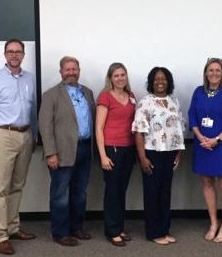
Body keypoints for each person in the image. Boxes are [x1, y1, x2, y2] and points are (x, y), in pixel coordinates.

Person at [0, 38, 37, 255]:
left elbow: (32, 111)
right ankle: (0, 236)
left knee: (17, 185)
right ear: (5, 55)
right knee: (1, 188)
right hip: (3, 135)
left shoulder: (30, 79)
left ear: (23, 55)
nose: (14, 55)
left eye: (18, 52)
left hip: (25, 135)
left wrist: (35, 136)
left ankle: (13, 228)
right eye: (10, 51)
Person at [39, 56, 95, 247]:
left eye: (74, 69)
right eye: (67, 69)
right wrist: (50, 153)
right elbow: (44, 126)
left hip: (86, 148)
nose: (71, 72)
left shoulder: (88, 92)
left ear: (79, 70)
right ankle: (60, 233)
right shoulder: (51, 95)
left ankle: (76, 228)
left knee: (80, 192)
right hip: (61, 152)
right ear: (61, 72)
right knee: (60, 194)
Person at [132, 67, 185, 245]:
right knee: (152, 193)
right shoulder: (145, 102)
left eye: (163, 78)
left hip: (169, 153)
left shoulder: (174, 102)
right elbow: (138, 131)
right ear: (151, 83)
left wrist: (178, 153)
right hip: (151, 153)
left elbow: (178, 128)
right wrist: (142, 158)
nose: (160, 82)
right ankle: (153, 233)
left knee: (165, 193)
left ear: (168, 81)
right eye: (156, 79)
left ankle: (164, 229)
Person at [188, 58, 222, 243]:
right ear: (206, 73)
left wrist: (217, 139)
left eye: (218, 70)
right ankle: (213, 223)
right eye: (211, 70)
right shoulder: (198, 92)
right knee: (207, 183)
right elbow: (192, 115)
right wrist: (201, 137)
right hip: (202, 144)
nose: (214, 73)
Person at [95, 63, 136, 247]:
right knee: (112, 191)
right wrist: (103, 155)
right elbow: (98, 129)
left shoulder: (132, 96)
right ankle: (112, 230)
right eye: (116, 75)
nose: (120, 78)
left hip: (129, 149)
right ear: (110, 78)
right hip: (112, 149)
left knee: (121, 190)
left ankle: (119, 227)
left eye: (123, 74)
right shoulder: (105, 97)